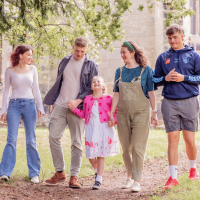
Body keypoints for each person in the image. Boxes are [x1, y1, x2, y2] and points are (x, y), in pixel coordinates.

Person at [43, 37, 98, 188]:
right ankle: (60, 173)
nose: (79, 54)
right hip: (60, 104)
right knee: (53, 136)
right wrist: (54, 101)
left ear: (86, 50)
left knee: (76, 142)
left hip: (78, 108)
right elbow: (59, 81)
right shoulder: (65, 61)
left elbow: (90, 88)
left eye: (82, 51)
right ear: (72, 47)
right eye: (77, 50)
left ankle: (74, 177)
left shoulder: (91, 65)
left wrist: (77, 102)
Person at [153, 24, 200, 189]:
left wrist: (184, 78)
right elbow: (154, 80)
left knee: (189, 140)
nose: (172, 40)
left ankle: (193, 169)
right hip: (169, 102)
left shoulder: (194, 56)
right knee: (172, 139)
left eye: (175, 37)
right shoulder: (162, 57)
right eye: (169, 38)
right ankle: (173, 177)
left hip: (189, 101)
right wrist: (165, 78)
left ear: (182, 37)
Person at [109, 41, 158, 192]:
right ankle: (129, 176)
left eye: (124, 52)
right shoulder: (120, 71)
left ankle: (137, 180)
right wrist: (112, 112)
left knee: (137, 147)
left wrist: (154, 113)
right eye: (121, 53)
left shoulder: (146, 70)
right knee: (126, 148)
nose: (122, 55)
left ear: (132, 52)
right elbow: (116, 94)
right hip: (123, 114)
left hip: (141, 112)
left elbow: (151, 92)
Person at [0, 45, 45, 183]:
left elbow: (36, 89)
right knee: (11, 139)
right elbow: (6, 91)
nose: (31, 57)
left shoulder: (33, 69)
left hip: (30, 105)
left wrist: (40, 107)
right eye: (29, 55)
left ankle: (34, 173)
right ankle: (5, 172)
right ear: (20, 56)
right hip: (14, 104)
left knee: (31, 139)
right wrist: (3, 110)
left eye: (31, 55)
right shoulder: (9, 71)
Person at [69, 76, 120, 189]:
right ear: (91, 87)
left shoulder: (108, 98)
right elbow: (84, 114)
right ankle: (98, 171)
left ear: (103, 86)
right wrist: (74, 109)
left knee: (101, 155)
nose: (96, 83)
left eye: (99, 81)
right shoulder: (87, 99)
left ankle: (98, 180)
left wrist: (113, 120)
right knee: (91, 155)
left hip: (104, 128)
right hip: (91, 128)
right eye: (93, 82)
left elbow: (115, 112)